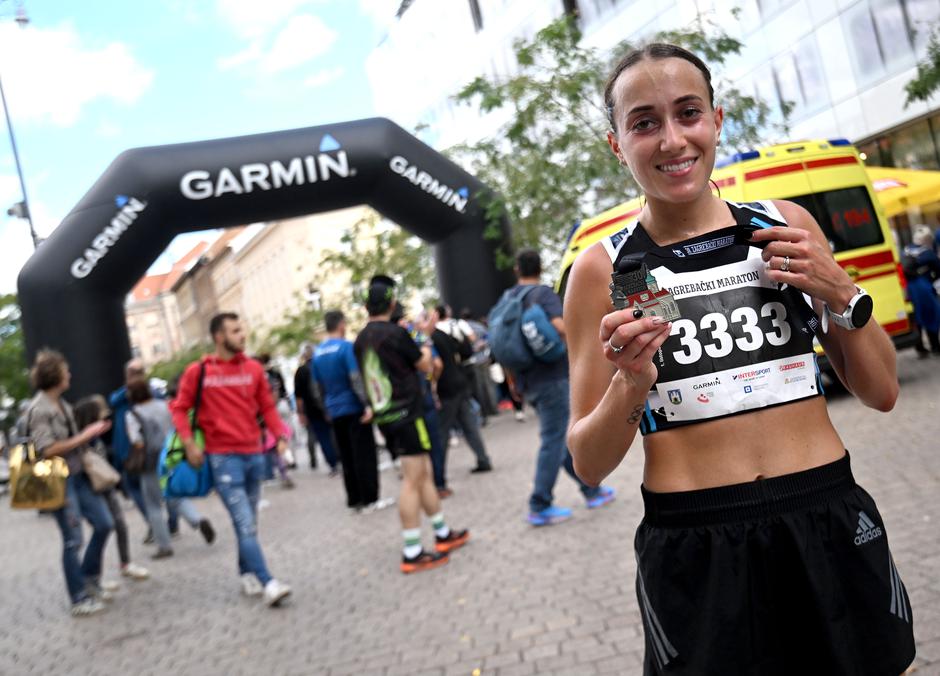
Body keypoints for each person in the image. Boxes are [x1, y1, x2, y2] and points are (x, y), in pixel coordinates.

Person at [565, 43, 915, 674]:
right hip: (695, 541)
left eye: (688, 113)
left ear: (717, 120)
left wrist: (841, 292)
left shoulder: (784, 227)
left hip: (826, 514)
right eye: (644, 122)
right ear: (618, 144)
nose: (672, 140)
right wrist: (632, 384)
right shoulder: (605, 269)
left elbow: (883, 391)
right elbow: (587, 463)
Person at [170, 312, 292, 607]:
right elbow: (178, 408)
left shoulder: (252, 369)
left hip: (254, 454)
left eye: (242, 329)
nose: (242, 335)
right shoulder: (198, 372)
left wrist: (281, 435)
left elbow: (267, 407)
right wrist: (189, 443)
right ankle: (268, 582)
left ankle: (245, 571)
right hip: (223, 459)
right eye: (235, 331)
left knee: (248, 521)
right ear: (219, 337)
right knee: (245, 522)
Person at [354, 276, 470, 573]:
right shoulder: (395, 333)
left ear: (367, 306)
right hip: (407, 413)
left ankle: (442, 533)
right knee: (413, 480)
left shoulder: (362, 338)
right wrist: (426, 338)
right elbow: (425, 364)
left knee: (424, 474)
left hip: (388, 417)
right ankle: (412, 551)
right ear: (392, 303)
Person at [507, 249, 615, 526]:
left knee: (563, 438)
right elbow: (564, 328)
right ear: (540, 268)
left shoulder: (509, 298)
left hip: (527, 380)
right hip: (552, 378)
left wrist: (512, 383)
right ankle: (539, 503)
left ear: (518, 270)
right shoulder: (542, 295)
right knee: (553, 441)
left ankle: (590, 490)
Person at [25, 350, 114, 616]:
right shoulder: (39, 408)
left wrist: (90, 434)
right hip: (59, 481)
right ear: (55, 375)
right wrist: (84, 435)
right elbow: (47, 448)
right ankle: (78, 597)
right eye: (66, 370)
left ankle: (89, 578)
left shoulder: (61, 403)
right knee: (72, 540)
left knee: (104, 523)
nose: (70, 375)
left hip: (77, 476)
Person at [125, 379, 216, 558]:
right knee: (174, 495)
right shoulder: (164, 405)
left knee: (153, 505)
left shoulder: (133, 414)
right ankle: (197, 519)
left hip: (150, 462)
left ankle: (164, 546)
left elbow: (137, 441)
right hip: (170, 454)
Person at [312, 310, 384, 512]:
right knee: (364, 453)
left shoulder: (317, 353)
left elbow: (316, 387)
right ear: (342, 324)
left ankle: (354, 499)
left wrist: (325, 407)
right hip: (353, 408)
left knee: (346, 456)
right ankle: (370, 497)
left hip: (334, 411)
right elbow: (355, 378)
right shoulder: (346, 348)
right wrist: (367, 405)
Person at [72, 396, 150, 581]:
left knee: (119, 524)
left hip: (105, 485)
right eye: (100, 410)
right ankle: (92, 577)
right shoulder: (82, 438)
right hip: (91, 487)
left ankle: (124, 564)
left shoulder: (98, 435)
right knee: (103, 527)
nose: (105, 413)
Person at [428, 306, 493, 474]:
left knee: (443, 431)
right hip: (459, 381)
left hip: (447, 388)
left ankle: (438, 474)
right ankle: (483, 459)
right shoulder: (445, 334)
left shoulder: (432, 339)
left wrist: (433, 384)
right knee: (469, 425)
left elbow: (437, 365)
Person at [293, 344, 339, 474]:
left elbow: (299, 396)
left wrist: (301, 413)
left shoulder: (301, 371)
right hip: (329, 405)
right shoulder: (323, 365)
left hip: (312, 409)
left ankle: (333, 463)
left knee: (322, 436)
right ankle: (338, 459)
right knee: (333, 433)